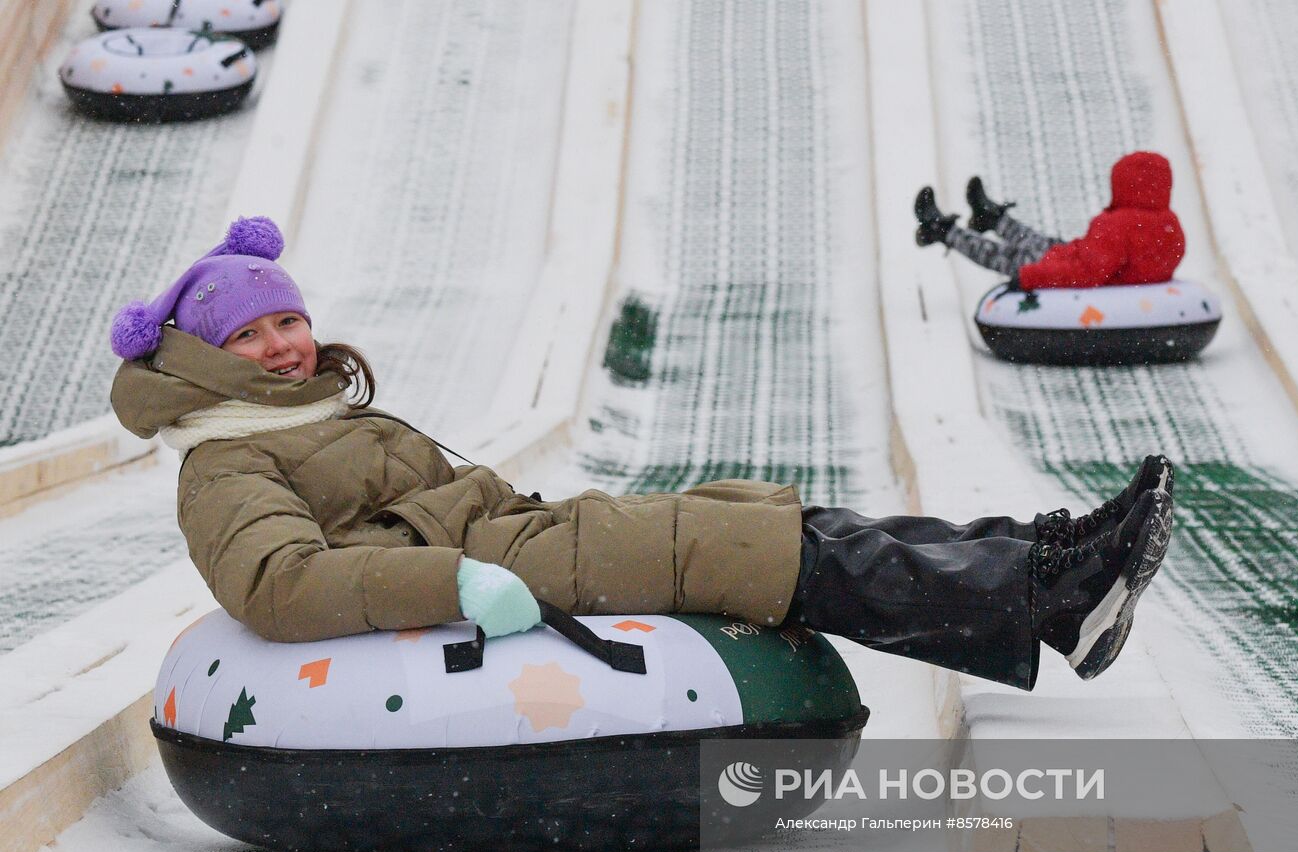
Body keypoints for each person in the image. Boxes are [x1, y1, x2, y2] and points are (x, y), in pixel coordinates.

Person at [108, 217, 1174, 691]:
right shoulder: (224, 462)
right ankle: (1043, 601)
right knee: (751, 554)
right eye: (249, 337)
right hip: (500, 569)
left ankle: (1042, 567)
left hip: (523, 532)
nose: (282, 346)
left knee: (777, 524)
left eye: (285, 323)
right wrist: (457, 579)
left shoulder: (302, 417)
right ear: (205, 361)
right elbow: (279, 585)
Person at [913, 151, 1186, 291]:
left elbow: (1087, 273)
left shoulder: (1116, 224)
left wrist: (1030, 277)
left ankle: (943, 231)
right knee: (1043, 244)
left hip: (1070, 271)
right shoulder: (1170, 224)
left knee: (1009, 256)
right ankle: (993, 220)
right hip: (1086, 261)